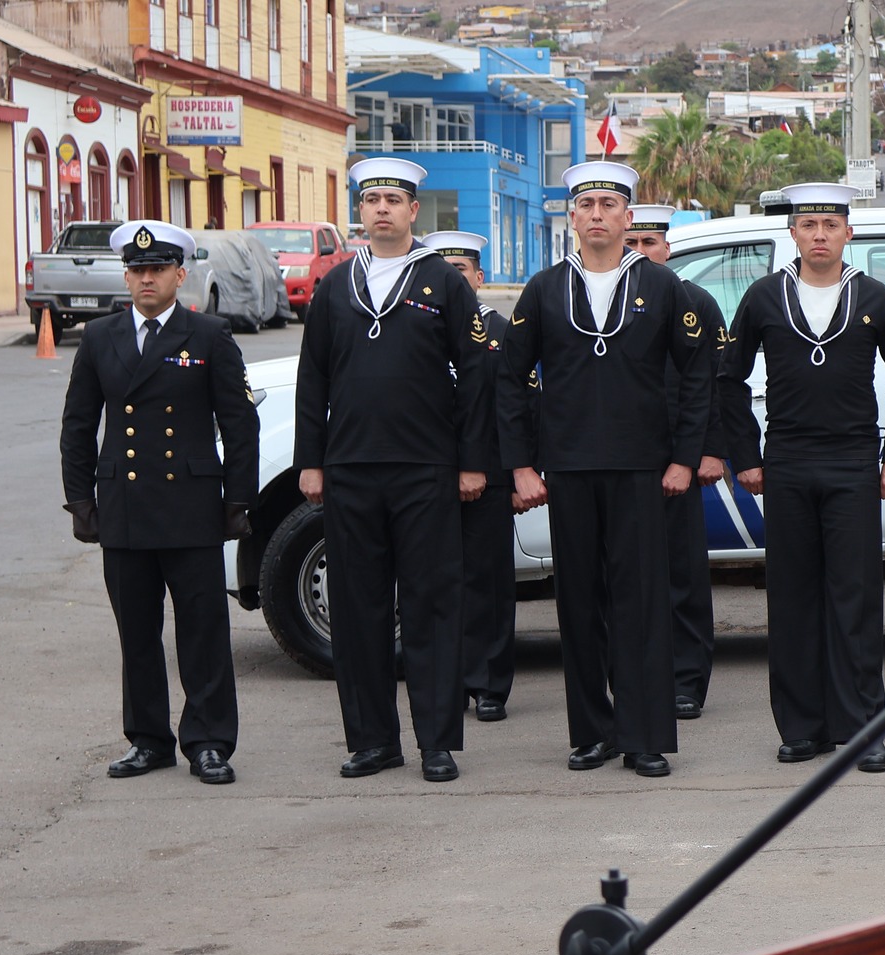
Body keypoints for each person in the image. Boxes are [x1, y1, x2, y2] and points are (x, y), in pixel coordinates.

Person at [498, 162, 714, 779]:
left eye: (608, 205)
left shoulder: (663, 288)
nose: (596, 214)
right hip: (567, 471)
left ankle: (644, 735)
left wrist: (683, 457)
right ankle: (591, 731)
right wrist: (520, 466)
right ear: (571, 216)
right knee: (580, 605)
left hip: (644, 470)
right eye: (585, 204)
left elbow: (697, 374)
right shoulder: (543, 289)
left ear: (628, 216)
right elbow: (510, 380)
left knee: (642, 604)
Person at [294, 156, 490, 783]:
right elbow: (313, 377)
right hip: (351, 469)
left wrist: (470, 462)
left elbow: (476, 378)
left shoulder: (442, 282)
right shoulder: (336, 286)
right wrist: (312, 462)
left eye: (393, 200)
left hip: (426, 469)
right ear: (360, 211)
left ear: (413, 211)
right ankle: (373, 740)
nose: (381, 208)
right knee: (359, 610)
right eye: (371, 198)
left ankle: (436, 740)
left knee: (431, 605)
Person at [718, 183, 885, 773]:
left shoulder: (876, 298)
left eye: (829, 226)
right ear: (793, 233)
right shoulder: (763, 297)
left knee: (855, 599)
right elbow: (728, 379)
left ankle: (864, 729)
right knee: (792, 598)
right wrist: (746, 457)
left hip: (852, 464)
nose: (818, 235)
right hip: (785, 462)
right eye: (808, 224)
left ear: (848, 234)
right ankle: (802, 727)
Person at [58, 221, 259, 785]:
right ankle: (148, 740)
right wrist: (79, 498)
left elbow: (240, 424)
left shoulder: (210, 336)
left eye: (157, 270)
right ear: (126, 276)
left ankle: (210, 741)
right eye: (137, 270)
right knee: (137, 634)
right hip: (123, 506)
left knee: (203, 633)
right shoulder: (101, 338)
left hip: (192, 507)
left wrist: (238, 499)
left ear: (180, 274)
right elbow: (78, 424)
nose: (146, 279)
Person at [627, 203, 729, 721]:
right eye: (634, 243)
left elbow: (714, 384)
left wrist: (710, 450)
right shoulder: (607, 301)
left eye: (651, 243)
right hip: (622, 458)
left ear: (668, 248)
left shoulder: (696, 303)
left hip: (681, 459)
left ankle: (688, 679)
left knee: (683, 573)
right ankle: (637, 677)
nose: (642, 252)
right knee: (627, 575)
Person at [425, 230, 516, 725]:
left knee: (489, 584)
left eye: (461, 271)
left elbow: (519, 405)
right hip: (432, 473)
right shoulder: (419, 326)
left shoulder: (503, 331)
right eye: (444, 270)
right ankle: (449, 681)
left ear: (479, 277)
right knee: (438, 581)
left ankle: (488, 685)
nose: (452, 280)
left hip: (492, 474)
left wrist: (521, 470)